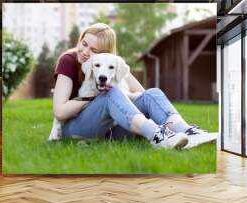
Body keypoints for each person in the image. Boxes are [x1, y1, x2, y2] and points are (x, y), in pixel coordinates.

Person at [52, 23, 216, 149]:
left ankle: (186, 132)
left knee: (152, 94)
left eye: (94, 50)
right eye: (84, 43)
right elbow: (60, 112)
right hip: (76, 130)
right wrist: (93, 96)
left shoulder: (110, 64)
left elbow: (142, 94)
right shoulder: (69, 60)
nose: (85, 51)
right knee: (110, 93)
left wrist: (113, 67)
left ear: (106, 54)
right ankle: (158, 136)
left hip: (109, 132)